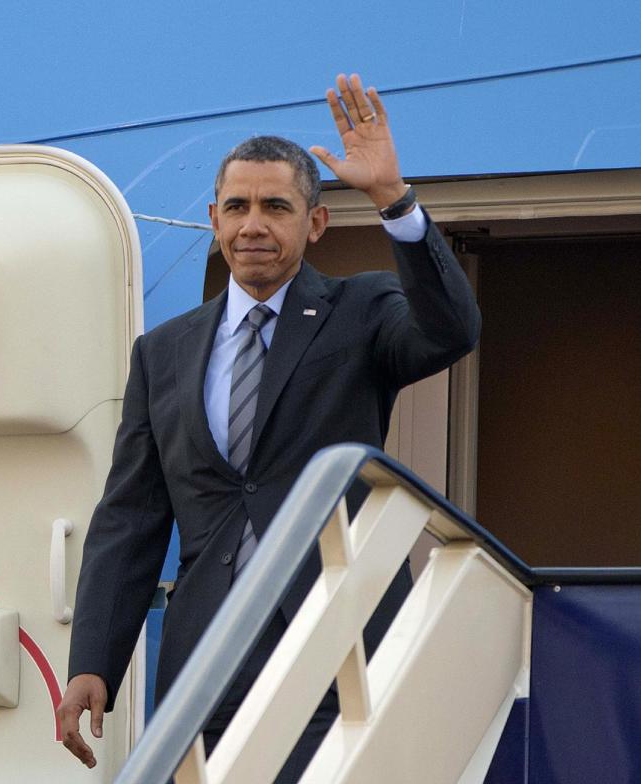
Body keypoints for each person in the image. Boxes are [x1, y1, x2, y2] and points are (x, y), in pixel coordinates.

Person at [57, 73, 481, 781]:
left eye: (276, 206)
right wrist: (94, 661)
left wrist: (393, 201)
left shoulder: (362, 309)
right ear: (217, 220)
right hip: (210, 655)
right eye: (237, 206)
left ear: (313, 223)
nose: (253, 223)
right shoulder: (162, 353)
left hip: (342, 641)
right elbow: (130, 516)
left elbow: (451, 331)